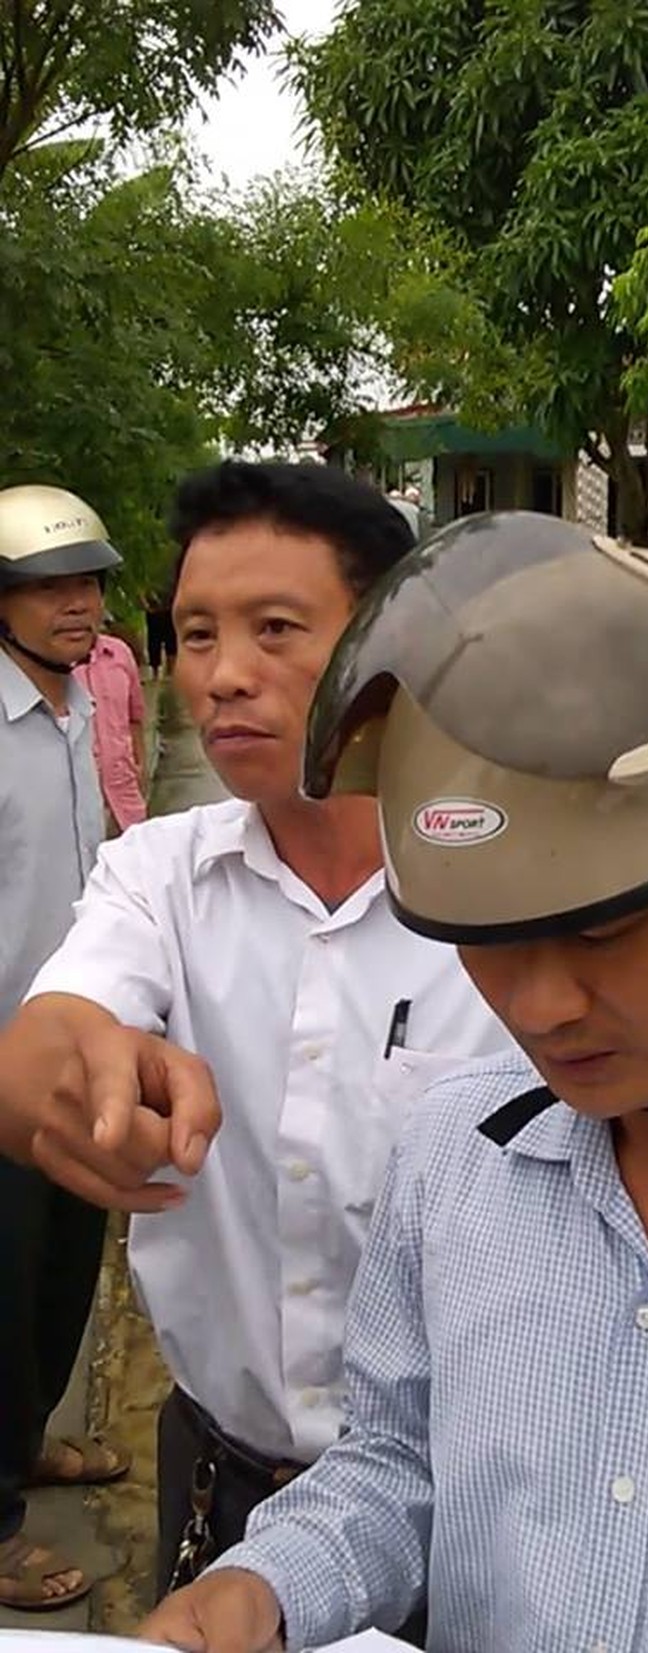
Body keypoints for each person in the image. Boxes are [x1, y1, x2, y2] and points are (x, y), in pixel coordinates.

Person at [141, 513, 648, 1653]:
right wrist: (263, 1587)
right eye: (488, 940)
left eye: (607, 931)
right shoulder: (454, 1154)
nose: (541, 1008)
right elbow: (397, 1464)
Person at [14, 460, 514, 1602]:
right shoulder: (159, 879)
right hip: (220, 1481)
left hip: (480, 1506)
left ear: (393, 643)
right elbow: (55, 1034)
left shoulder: (516, 904)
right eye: (195, 635)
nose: (224, 676)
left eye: (277, 628)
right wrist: (69, 1078)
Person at [0, 484, 129, 1611]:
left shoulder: (81, 705)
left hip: (75, 1052)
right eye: (48, 588)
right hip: (2, 1069)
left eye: (86, 583)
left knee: (62, 1278)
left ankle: (30, 1437)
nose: (76, 605)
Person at [75, 629, 148, 832]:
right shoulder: (51, 664)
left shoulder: (119, 652)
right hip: (78, 788)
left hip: (123, 781)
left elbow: (135, 715)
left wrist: (140, 762)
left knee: (138, 852)